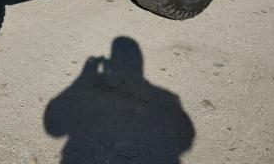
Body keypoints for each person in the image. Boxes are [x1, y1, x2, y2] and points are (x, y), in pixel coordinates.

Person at [44, 36, 195, 164]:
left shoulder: (165, 99)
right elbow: (186, 136)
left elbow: (54, 127)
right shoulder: (166, 98)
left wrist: (83, 77)